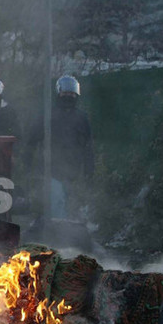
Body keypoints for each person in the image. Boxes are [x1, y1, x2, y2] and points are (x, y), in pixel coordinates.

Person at [27, 75, 94, 219]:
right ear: (59, 93)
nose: (68, 96)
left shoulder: (81, 118)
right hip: (51, 169)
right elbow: (32, 140)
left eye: (71, 93)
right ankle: (56, 234)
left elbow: (88, 146)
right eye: (65, 93)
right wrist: (28, 162)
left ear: (76, 94)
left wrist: (89, 171)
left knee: (70, 204)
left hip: (73, 171)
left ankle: (66, 232)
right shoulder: (48, 114)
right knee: (56, 202)